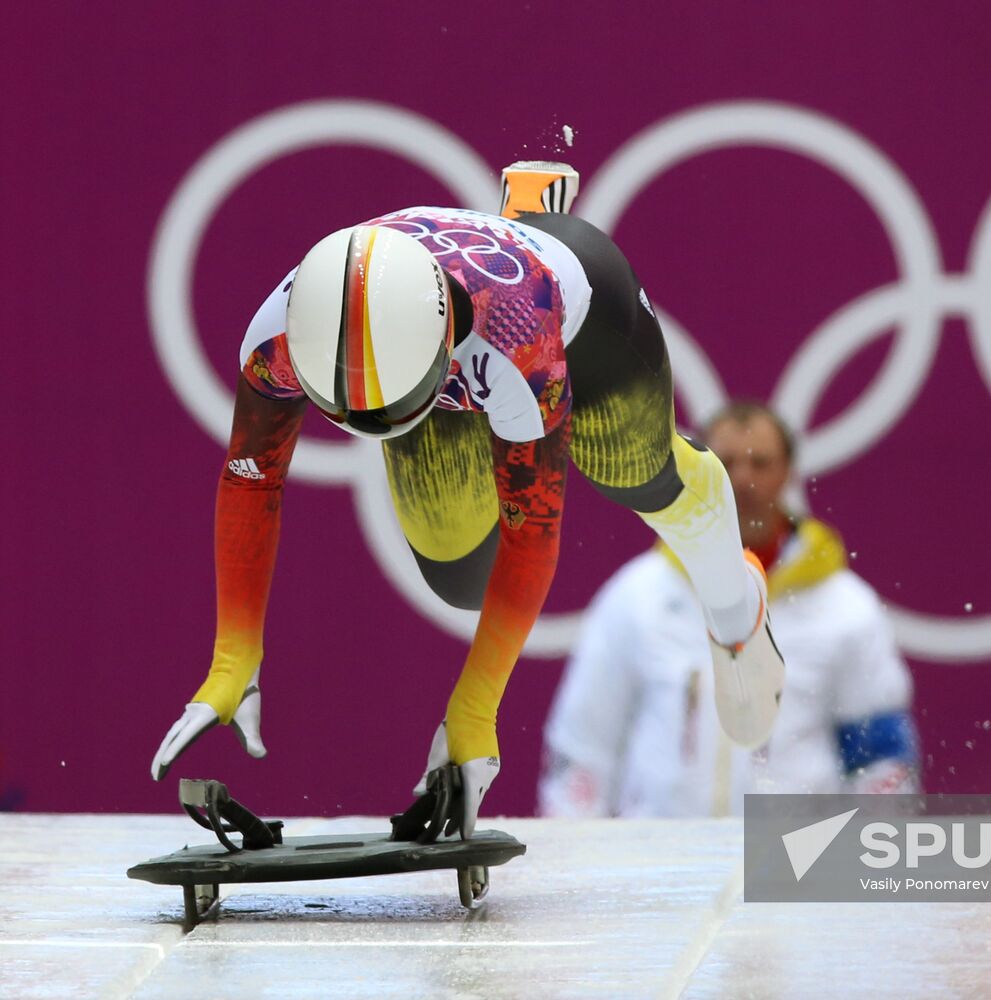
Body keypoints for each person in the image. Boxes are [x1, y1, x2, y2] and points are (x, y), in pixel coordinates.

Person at [150, 163, 785, 838]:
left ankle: (736, 605)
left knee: (631, 474)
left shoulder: (521, 342)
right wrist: (233, 659)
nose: (372, 427)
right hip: (439, 353)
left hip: (579, 320)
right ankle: (519, 220)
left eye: (389, 409)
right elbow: (252, 478)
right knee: (457, 577)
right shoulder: (276, 336)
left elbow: (531, 535)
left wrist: (475, 712)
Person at [540, 402, 920, 818]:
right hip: (661, 849)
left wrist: (868, 846)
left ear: (788, 472)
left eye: (761, 463)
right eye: (726, 463)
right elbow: (584, 745)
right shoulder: (638, 596)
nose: (742, 479)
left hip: (793, 851)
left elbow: (881, 757)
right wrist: (578, 840)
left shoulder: (845, 606)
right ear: (696, 471)